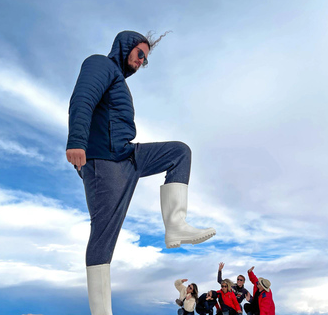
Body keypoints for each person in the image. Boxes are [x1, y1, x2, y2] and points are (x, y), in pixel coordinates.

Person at [66, 30, 216, 315]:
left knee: (179, 152)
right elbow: (82, 98)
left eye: (145, 59)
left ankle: (175, 225)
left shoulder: (119, 80)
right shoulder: (100, 64)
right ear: (125, 47)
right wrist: (76, 141)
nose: (141, 62)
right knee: (103, 236)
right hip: (105, 162)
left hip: (128, 155)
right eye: (140, 55)